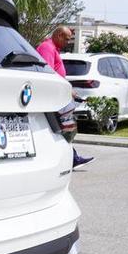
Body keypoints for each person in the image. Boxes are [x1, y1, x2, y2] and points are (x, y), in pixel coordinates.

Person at [36, 26, 94, 169]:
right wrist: (66, 90)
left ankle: (72, 158)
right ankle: (71, 158)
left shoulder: (53, 48)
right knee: (64, 129)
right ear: (59, 35)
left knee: (64, 129)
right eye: (67, 39)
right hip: (51, 99)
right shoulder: (47, 48)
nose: (68, 42)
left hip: (57, 97)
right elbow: (47, 73)